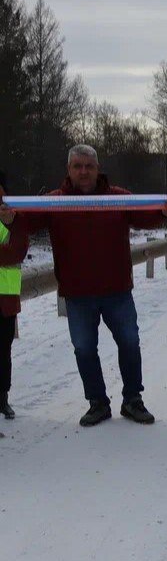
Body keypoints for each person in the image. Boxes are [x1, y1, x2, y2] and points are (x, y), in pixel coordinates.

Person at [0, 145, 167, 427]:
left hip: (117, 289)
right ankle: (97, 403)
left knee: (129, 343)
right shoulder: (54, 201)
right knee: (84, 349)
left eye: (89, 166)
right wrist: (11, 219)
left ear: (98, 168)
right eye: (78, 166)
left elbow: (146, 215)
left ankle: (133, 400)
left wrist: (165, 213)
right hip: (77, 292)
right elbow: (25, 221)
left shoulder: (117, 197)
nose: (84, 171)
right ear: (68, 170)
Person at [0, 170, 29, 420]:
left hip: (5, 298)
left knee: (3, 351)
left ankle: (3, 398)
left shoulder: (15, 218)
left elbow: (17, 252)